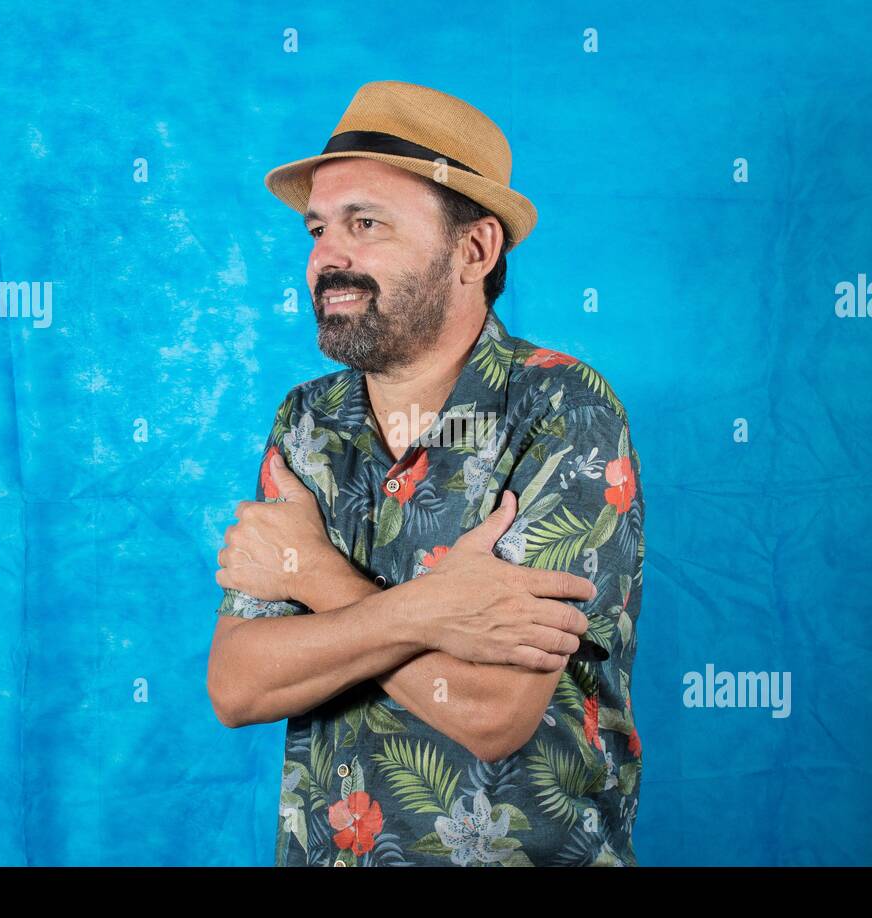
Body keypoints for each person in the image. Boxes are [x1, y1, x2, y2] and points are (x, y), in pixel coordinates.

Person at [207, 80, 644, 867]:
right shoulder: (306, 422)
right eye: (318, 229)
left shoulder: (561, 410)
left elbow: (491, 712)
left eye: (365, 223)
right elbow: (239, 685)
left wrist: (313, 574)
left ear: (474, 250)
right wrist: (431, 613)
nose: (326, 257)